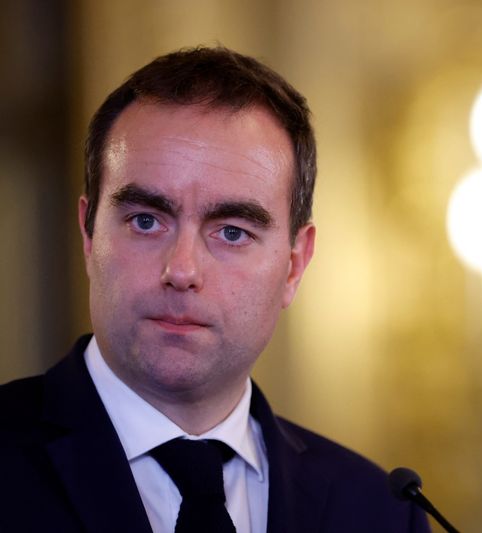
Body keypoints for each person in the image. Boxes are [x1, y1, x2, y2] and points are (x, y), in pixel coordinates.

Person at [0, 46, 430, 533]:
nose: (181, 270)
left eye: (231, 232)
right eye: (146, 221)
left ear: (294, 265)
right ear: (88, 234)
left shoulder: (381, 512)